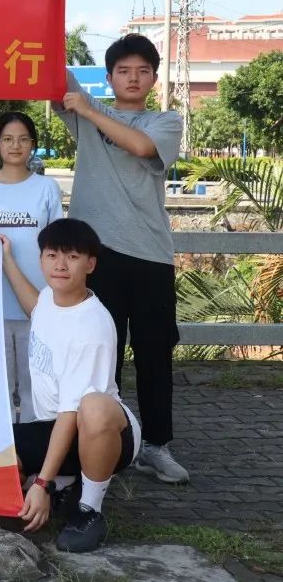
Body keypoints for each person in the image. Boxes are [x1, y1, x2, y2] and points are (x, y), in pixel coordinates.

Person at [59, 34, 187, 483]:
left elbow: (141, 147)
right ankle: (101, 444)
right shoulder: (82, 109)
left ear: (154, 78)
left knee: (154, 352)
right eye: (123, 71)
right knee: (100, 355)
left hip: (150, 254)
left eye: (142, 71)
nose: (133, 78)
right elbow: (50, 70)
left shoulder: (165, 121)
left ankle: (155, 446)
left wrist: (89, 110)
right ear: (109, 76)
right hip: (96, 256)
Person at [1, 218, 141, 553]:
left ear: (90, 264)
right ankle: (64, 486)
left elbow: (70, 414)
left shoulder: (92, 326)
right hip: (54, 427)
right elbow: (35, 308)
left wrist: (41, 481)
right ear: (41, 260)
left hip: (104, 434)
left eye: (73, 257)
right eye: (52, 255)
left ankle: (89, 510)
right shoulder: (50, 298)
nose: (61, 265)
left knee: (92, 406)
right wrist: (7, 260)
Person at [0, 112, 64, 422]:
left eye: (23, 139)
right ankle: (6, 449)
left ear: (32, 145)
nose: (15, 145)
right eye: (8, 139)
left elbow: (57, 246)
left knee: (37, 384)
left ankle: (38, 445)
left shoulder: (47, 187)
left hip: (37, 303)